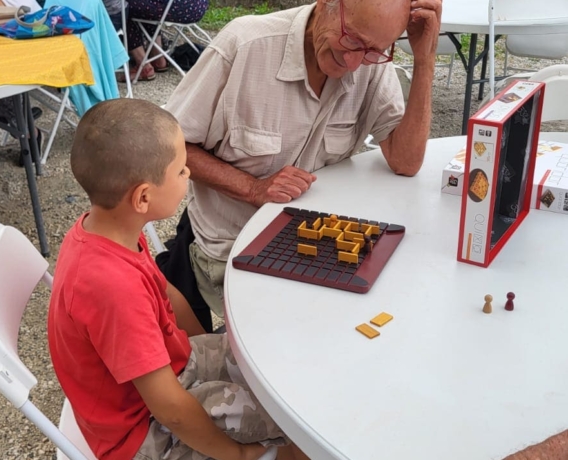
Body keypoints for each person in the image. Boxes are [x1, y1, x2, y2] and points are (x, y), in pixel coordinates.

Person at [47, 98, 309, 460]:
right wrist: (237, 454)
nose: (188, 177)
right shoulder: (111, 286)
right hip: (146, 432)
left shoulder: (109, 228)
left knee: (277, 363)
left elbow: (167, 295)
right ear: (143, 197)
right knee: (300, 419)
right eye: (182, 171)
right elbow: (169, 407)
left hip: (174, 369)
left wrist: (215, 357)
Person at [157, 0, 442, 327]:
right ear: (327, 5)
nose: (353, 63)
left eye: (373, 50)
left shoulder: (368, 58)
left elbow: (406, 161)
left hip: (318, 247)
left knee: (399, 308)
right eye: (351, 41)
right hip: (233, 249)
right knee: (314, 334)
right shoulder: (245, 45)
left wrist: (425, 60)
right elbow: (168, 148)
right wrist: (252, 188)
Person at [104, 0, 209, 81]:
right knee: (146, 6)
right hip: (198, 6)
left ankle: (143, 66)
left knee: (123, 6)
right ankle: (158, 57)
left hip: (179, 8)